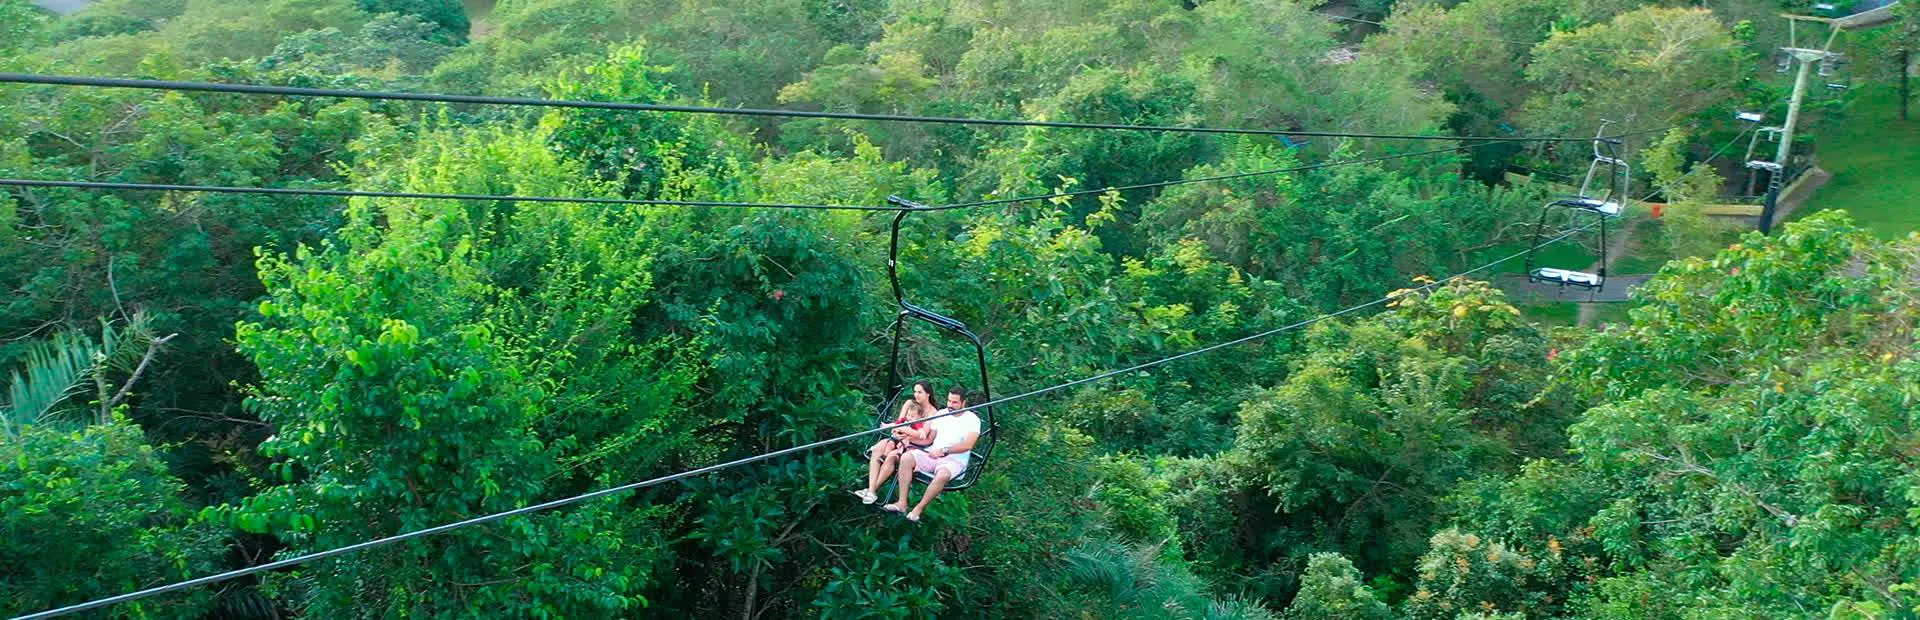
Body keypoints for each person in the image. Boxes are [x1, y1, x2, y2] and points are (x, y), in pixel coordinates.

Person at [884, 387, 981, 523]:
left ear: (964, 403)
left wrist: (945, 450)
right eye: (949, 401)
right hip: (931, 453)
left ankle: (918, 509)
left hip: (954, 459)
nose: (950, 405)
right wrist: (908, 438)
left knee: (943, 475)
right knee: (906, 458)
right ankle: (901, 503)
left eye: (954, 403)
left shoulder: (972, 420)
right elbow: (929, 440)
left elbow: (968, 445)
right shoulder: (942, 414)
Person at [852, 381, 936, 504]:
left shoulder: (932, 412)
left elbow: (922, 436)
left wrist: (905, 433)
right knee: (878, 448)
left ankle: (871, 490)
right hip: (898, 437)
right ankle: (871, 490)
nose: (916, 395)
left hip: (912, 445)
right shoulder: (909, 403)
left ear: (928, 394)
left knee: (891, 456)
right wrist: (899, 431)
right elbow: (898, 424)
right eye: (915, 392)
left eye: (920, 392)